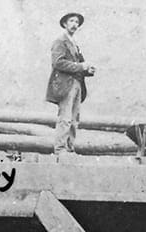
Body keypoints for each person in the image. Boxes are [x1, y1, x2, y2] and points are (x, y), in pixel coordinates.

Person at [46, 11, 95, 154]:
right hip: (66, 85)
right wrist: (81, 67)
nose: (74, 25)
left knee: (74, 120)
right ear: (65, 24)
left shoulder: (74, 44)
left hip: (77, 84)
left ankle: (69, 148)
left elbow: (78, 64)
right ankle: (60, 149)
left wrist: (87, 71)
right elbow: (58, 63)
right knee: (65, 118)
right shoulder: (60, 41)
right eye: (72, 21)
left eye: (77, 23)